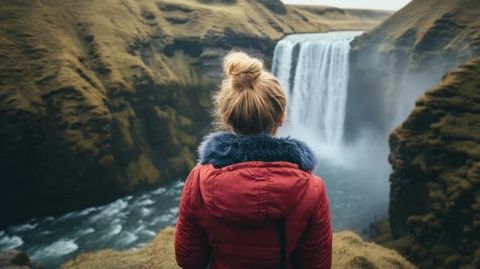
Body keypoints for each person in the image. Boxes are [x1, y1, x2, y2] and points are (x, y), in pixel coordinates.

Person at [174, 52, 332, 269]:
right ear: (281, 117)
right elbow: (317, 264)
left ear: (225, 117)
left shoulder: (198, 181)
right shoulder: (312, 189)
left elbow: (188, 259)